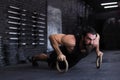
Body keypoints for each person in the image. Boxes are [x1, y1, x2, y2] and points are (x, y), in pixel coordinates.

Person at [28, 26, 103, 69]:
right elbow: (52, 37)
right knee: (48, 59)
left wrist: (98, 51)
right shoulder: (71, 41)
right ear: (83, 37)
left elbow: (97, 41)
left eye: (93, 39)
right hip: (64, 55)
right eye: (89, 39)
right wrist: (59, 53)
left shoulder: (95, 38)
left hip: (73, 60)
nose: (92, 42)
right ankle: (34, 58)